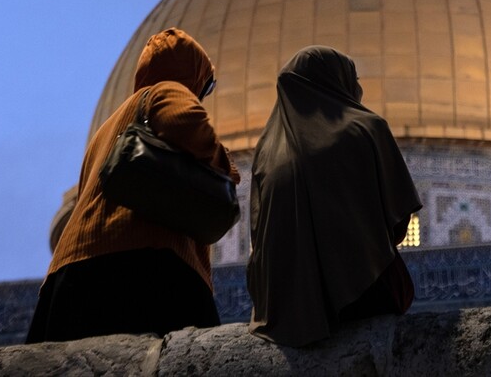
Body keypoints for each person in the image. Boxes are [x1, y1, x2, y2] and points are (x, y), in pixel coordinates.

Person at [26, 28, 239, 342]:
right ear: (190, 75)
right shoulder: (168, 90)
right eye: (205, 85)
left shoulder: (108, 128)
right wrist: (226, 167)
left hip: (72, 274)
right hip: (141, 265)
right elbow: (186, 124)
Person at [246, 45, 422, 347]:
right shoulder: (366, 128)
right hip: (364, 294)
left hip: (285, 306)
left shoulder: (266, 153)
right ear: (341, 82)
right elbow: (397, 221)